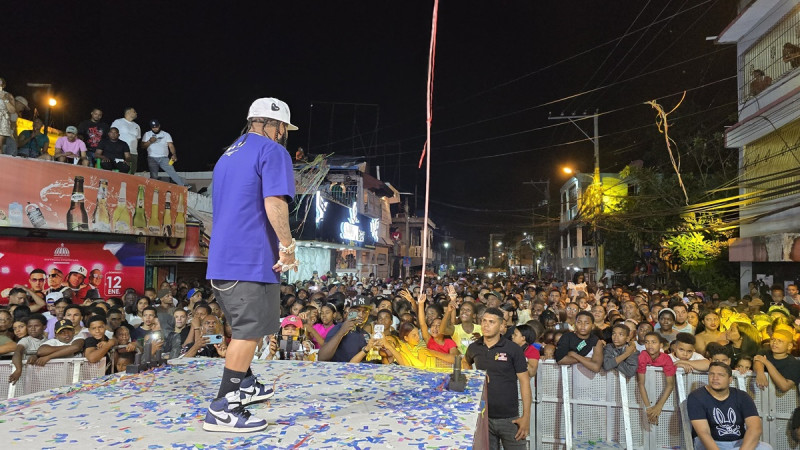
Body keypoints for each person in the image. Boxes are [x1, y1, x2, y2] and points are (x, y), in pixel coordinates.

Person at [204, 97, 298, 433]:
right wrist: (286, 246)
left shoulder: (228, 154)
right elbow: (274, 201)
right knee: (248, 333)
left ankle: (246, 385)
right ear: (276, 126)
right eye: (284, 129)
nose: (284, 134)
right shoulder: (273, 152)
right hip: (250, 258)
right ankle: (223, 407)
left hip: (223, 259)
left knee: (247, 326)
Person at [465, 307, 531, 449]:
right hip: (483, 418)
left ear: (502, 326)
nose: (485, 325)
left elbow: (525, 382)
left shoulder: (513, 349)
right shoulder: (473, 348)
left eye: (491, 322)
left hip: (510, 418)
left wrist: (526, 417)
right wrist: (473, 377)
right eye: (483, 321)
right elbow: (466, 364)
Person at [688, 362, 772, 449]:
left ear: (730, 379)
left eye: (721, 375)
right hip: (712, 443)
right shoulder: (696, 397)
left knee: (766, 448)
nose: (715, 378)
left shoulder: (742, 396)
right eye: (711, 374)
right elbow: (703, 432)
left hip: (739, 442)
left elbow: (755, 429)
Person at [637, 331, 676, 425]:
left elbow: (670, 385)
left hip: (662, 393)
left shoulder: (666, 358)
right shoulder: (642, 355)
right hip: (646, 392)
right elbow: (641, 383)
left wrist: (659, 406)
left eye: (653, 342)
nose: (650, 345)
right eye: (647, 342)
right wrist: (648, 408)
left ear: (661, 345)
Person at [142, 119, 185, 186]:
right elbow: (143, 146)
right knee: (154, 176)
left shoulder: (166, 134)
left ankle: (183, 186)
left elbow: (170, 145)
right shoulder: (147, 134)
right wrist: (149, 141)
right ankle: (153, 189)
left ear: (159, 125)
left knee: (172, 172)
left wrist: (174, 154)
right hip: (151, 158)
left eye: (156, 126)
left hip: (164, 158)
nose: (155, 128)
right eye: (153, 127)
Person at [110, 107, 141, 173]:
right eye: (134, 111)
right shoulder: (118, 122)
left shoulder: (137, 126)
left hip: (133, 152)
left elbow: (137, 139)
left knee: (132, 171)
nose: (136, 113)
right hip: (121, 151)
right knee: (122, 171)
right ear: (128, 112)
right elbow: (112, 135)